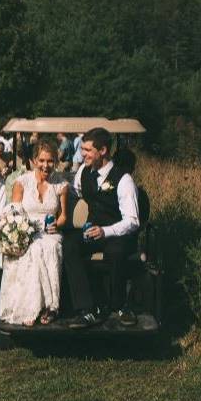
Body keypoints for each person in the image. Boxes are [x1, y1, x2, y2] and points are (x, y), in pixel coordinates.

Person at [0, 139, 69, 326]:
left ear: (55, 161)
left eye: (50, 161)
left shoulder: (60, 185)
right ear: (34, 160)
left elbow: (63, 216)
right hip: (26, 230)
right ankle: (29, 307)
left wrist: (57, 224)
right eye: (42, 161)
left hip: (49, 232)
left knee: (50, 246)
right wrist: (19, 230)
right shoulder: (22, 182)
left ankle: (50, 307)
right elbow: (14, 211)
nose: (46, 166)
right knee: (33, 250)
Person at [63, 127, 140, 329]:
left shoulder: (124, 180)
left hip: (117, 233)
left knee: (116, 251)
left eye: (88, 150)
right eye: (82, 149)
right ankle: (86, 309)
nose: (82, 154)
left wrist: (106, 231)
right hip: (92, 231)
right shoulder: (83, 172)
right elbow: (74, 192)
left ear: (103, 150)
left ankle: (121, 306)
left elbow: (132, 221)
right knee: (70, 245)